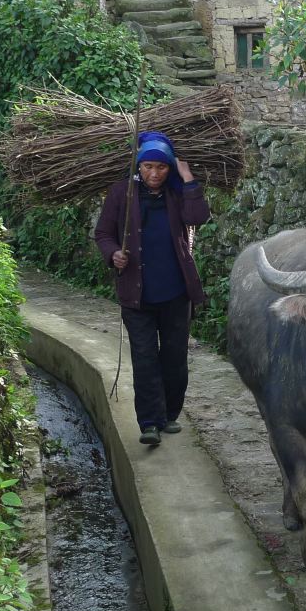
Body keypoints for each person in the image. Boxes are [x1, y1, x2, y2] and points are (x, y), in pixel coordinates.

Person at [95, 132, 212, 447]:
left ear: (169, 168)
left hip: (175, 294)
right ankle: (149, 423)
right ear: (138, 166)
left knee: (174, 358)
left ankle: (169, 415)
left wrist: (186, 177)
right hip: (137, 296)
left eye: (161, 167)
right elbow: (104, 233)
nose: (155, 174)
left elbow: (199, 216)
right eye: (148, 166)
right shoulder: (123, 194)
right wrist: (113, 254)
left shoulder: (177, 193)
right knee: (145, 359)